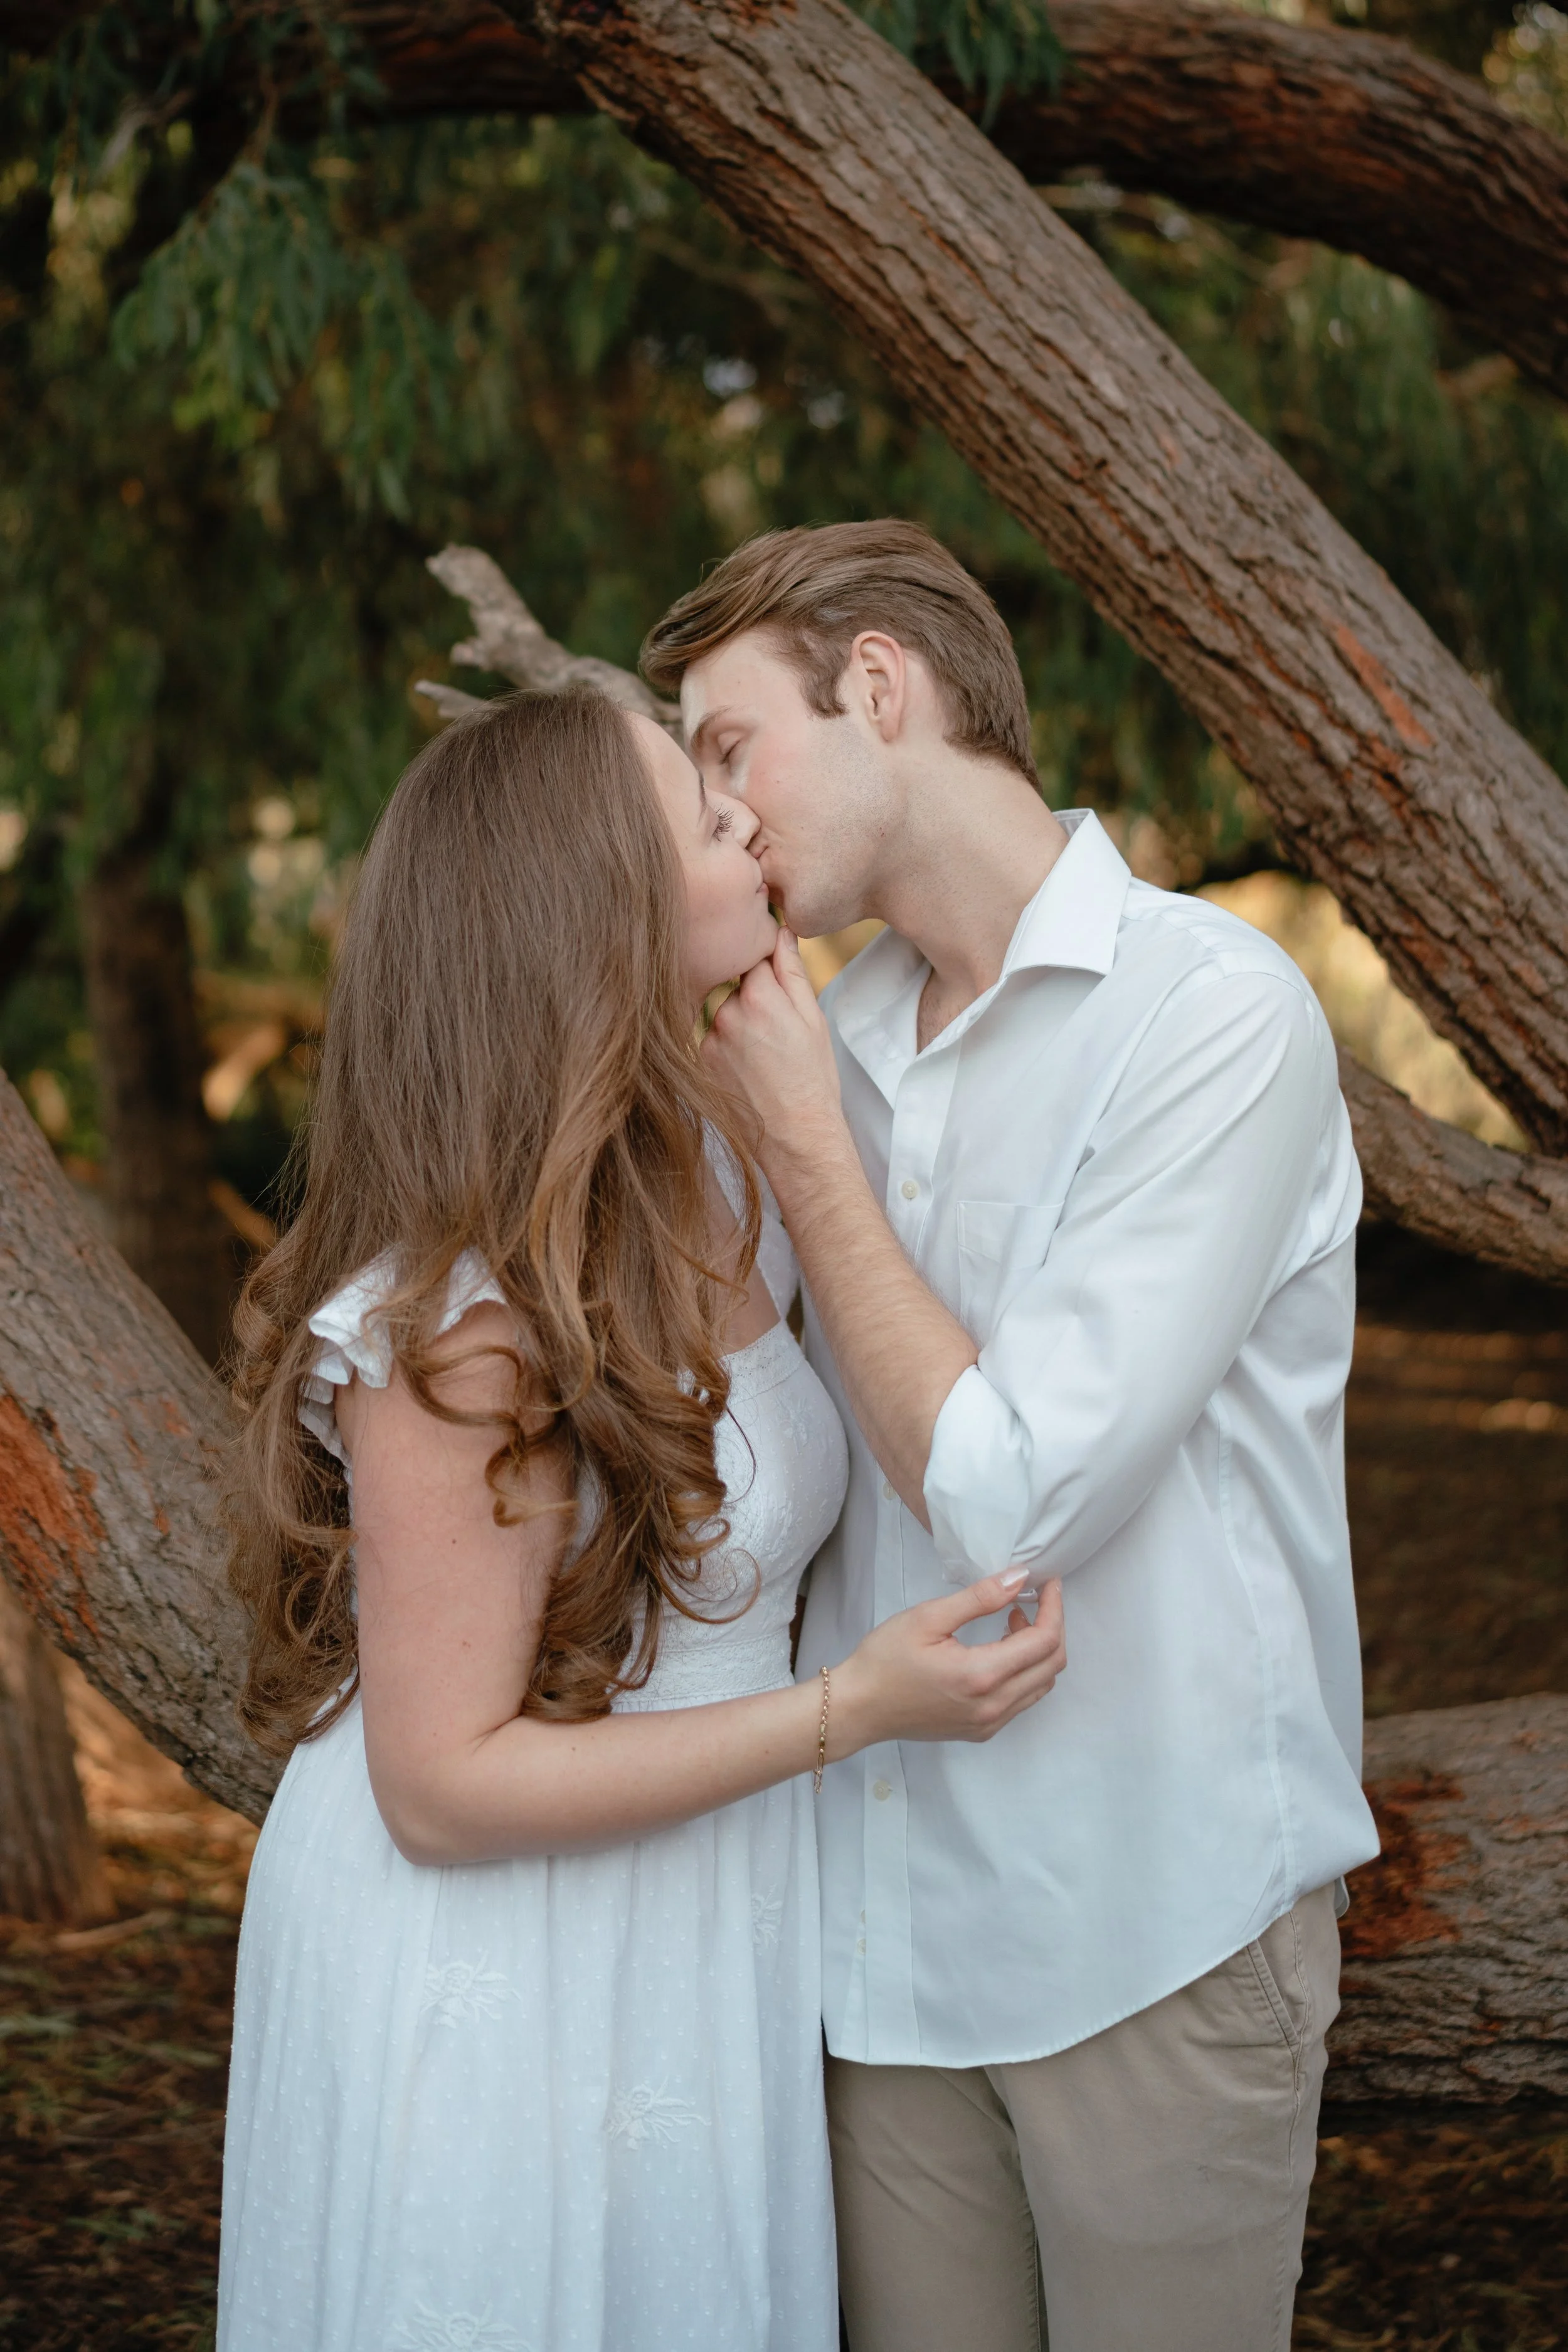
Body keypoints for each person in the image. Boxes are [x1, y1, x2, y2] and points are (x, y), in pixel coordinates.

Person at [215, 685, 1066, 2352]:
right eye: (697, 802)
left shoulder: (727, 1159)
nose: (744, 816)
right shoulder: (458, 1318)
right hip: (510, 1931)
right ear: (593, 908)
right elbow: (441, 1783)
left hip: (700, 1901)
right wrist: (845, 1713)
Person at [642, 519, 1382, 2352]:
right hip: (877, 1954)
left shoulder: (1207, 1015)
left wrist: (807, 1147)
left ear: (878, 684)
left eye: (727, 746)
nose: (716, 819)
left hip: (1156, 1917)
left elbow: (1014, 1493)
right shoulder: (822, 1039)